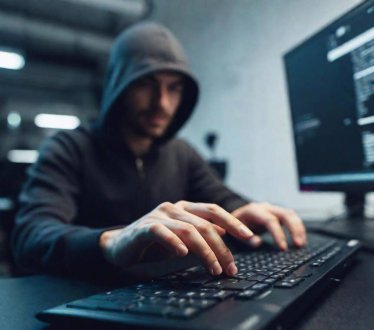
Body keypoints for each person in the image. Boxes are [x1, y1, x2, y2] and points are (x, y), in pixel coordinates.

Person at [12, 22, 306, 279]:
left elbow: (223, 200)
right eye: (145, 84)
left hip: (168, 299)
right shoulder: (69, 149)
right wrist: (110, 241)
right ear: (118, 85)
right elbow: (31, 236)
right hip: (85, 300)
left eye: (174, 88)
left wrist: (245, 213)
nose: (161, 103)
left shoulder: (181, 153)